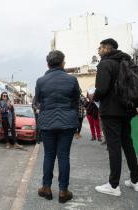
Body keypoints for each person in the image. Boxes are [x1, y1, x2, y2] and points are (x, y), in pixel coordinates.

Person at [92, 38, 138, 196]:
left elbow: (101, 89)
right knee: (127, 144)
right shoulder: (127, 61)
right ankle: (136, 181)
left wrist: (93, 96)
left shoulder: (105, 63)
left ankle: (113, 185)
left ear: (107, 49)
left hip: (111, 112)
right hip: (126, 110)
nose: (98, 51)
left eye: (100, 48)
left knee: (114, 147)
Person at [35, 50, 80, 203]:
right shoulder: (72, 79)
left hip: (47, 122)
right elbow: (76, 100)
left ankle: (46, 188)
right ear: (63, 63)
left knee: (48, 155)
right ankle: (63, 191)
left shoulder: (40, 81)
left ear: (48, 64)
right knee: (63, 156)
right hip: (67, 122)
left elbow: (37, 102)